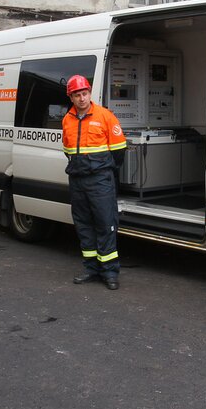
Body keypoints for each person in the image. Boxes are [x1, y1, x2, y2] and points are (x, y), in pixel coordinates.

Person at [62, 74, 127, 290]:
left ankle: (110, 272)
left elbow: (119, 151)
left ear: (90, 93)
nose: (82, 98)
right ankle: (91, 268)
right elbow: (68, 150)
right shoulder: (67, 120)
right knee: (83, 225)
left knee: (106, 224)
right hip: (77, 180)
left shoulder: (105, 116)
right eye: (77, 95)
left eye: (84, 93)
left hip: (100, 180)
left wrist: (103, 170)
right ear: (71, 97)